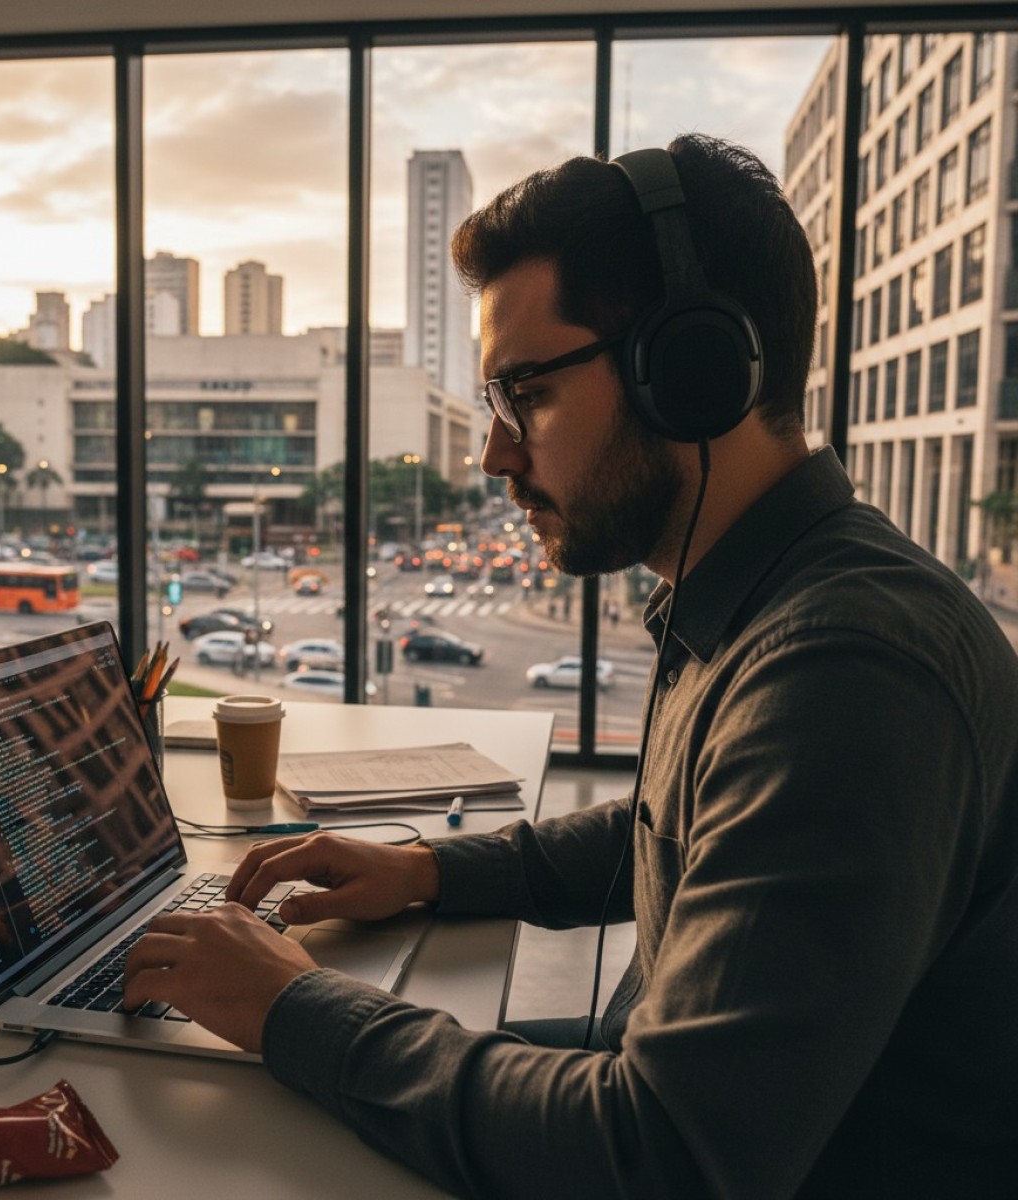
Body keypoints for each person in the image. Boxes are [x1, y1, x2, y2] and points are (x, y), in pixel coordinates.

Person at [124, 134, 1018, 1198]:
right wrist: (429, 869)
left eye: (526, 395)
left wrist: (291, 1009)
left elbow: (659, 1158)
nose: (494, 453)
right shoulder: (764, 592)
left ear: (687, 373)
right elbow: (679, 830)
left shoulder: (847, 668)